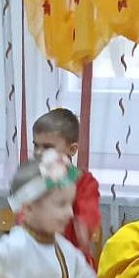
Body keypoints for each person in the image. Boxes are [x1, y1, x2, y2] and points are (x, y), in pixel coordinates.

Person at [32, 106, 102, 264]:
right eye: (36, 145)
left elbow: (87, 222)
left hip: (73, 264)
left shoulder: (85, 182)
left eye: (47, 147)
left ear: (72, 149)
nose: (38, 153)